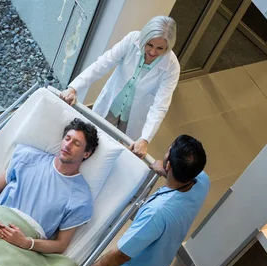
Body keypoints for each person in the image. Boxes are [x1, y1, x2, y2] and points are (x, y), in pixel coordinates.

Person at [57, 134, 209, 266]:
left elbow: (119, 256)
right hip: (158, 260)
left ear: (169, 165)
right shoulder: (201, 180)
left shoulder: (157, 214)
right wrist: (166, 171)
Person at [59, 16, 180, 159]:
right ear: (143, 38)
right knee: (91, 141)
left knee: (119, 153)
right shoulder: (132, 40)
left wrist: (145, 138)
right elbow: (102, 64)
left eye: (160, 48)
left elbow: (160, 106)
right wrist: (74, 88)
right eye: (149, 45)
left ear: (168, 47)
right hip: (111, 106)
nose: (153, 52)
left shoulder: (171, 66)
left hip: (134, 117)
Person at [0, 118, 99, 254]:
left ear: (86, 153)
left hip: (23, 246)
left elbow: (61, 245)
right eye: (67, 138)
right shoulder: (28, 157)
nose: (68, 145)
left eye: (76, 143)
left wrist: (26, 243)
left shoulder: (81, 198)